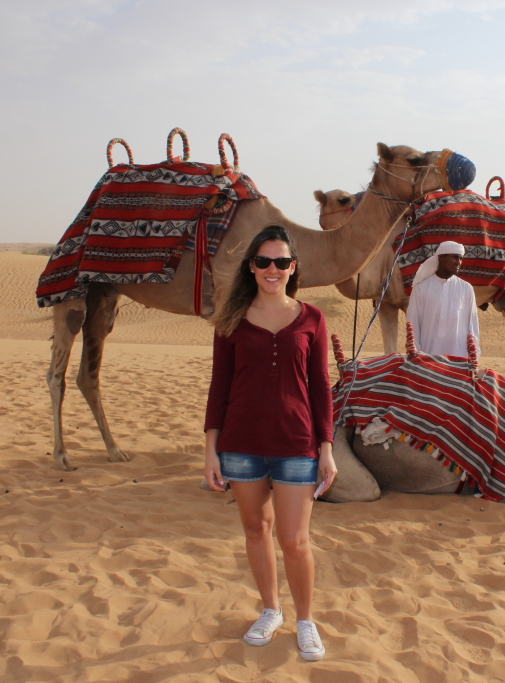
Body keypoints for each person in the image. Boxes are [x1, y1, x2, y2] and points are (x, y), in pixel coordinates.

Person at [203, 225, 337, 661]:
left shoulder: (312, 318)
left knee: (295, 539)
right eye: (263, 261)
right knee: (256, 529)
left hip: (297, 444)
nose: (272, 269)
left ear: (293, 267)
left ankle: (305, 620)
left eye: (281, 261)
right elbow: (219, 387)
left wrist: (327, 447)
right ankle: (270, 609)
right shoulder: (231, 320)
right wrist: (211, 450)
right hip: (240, 444)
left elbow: (320, 387)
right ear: (252, 267)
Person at [405, 240, 480, 358]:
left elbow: (473, 326)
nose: (458, 262)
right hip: (427, 359)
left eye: (460, 258)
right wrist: (416, 356)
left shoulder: (466, 289)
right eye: (455, 257)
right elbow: (413, 323)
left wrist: (473, 356)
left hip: (458, 360)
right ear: (441, 257)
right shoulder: (421, 288)